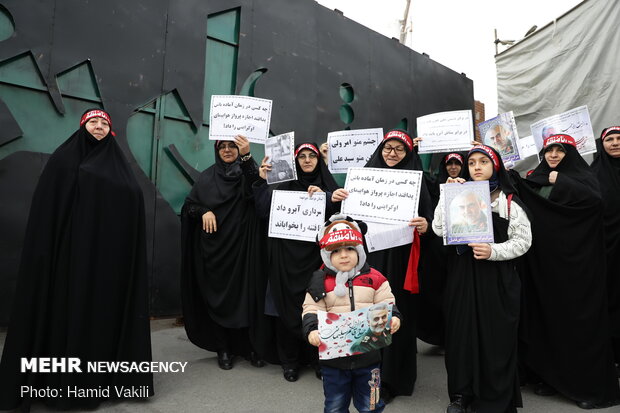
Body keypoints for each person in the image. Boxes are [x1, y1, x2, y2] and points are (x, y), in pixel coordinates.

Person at [0, 108, 153, 410]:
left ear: (112, 131)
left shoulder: (120, 167)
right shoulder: (63, 160)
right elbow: (49, 210)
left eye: (104, 123)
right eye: (93, 122)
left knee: (100, 318)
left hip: (107, 264)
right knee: (66, 315)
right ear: (83, 126)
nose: (99, 127)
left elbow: (132, 204)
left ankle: (100, 383)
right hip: (69, 260)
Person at [513, 134, 620, 409]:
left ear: (570, 154)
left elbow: (594, 201)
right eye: (549, 150)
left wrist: (560, 181)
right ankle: (552, 378)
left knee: (578, 322)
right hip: (545, 266)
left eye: (560, 150)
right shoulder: (536, 176)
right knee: (549, 319)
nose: (553, 156)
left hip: (578, 268)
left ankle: (590, 388)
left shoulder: (582, 177)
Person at [433, 144, 532, 413]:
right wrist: (447, 195)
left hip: (497, 281)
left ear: (495, 166)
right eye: (472, 162)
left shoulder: (508, 202)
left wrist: (493, 251)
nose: (477, 167)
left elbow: (523, 241)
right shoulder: (457, 194)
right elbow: (439, 228)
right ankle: (461, 395)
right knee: (461, 336)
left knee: (495, 337)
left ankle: (496, 398)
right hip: (463, 278)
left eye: (483, 162)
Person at [254, 142, 348, 381]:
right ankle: (290, 362)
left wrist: (326, 198)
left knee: (318, 309)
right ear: (295, 162)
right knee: (285, 307)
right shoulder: (284, 186)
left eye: (311, 156)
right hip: (286, 259)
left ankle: (317, 359)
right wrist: (263, 180)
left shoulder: (327, 187)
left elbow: (341, 218)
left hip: (316, 261)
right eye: (302, 157)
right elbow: (263, 210)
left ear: (318, 160)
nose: (307, 160)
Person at [181, 136, 267, 371]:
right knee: (218, 298)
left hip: (244, 248)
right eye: (223, 147)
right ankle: (224, 348)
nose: (228, 150)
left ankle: (249, 347)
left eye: (232, 146)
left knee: (246, 297)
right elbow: (189, 205)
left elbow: (256, 188)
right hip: (215, 250)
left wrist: (248, 156)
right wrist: (203, 211)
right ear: (217, 151)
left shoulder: (247, 171)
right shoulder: (207, 177)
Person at [302, 215, 402, 413]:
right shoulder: (318, 282)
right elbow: (311, 309)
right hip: (334, 363)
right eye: (336, 251)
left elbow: (387, 301)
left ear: (360, 250)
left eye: (350, 249)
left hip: (369, 359)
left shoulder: (375, 278)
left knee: (372, 405)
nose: (344, 255)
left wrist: (395, 317)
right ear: (325, 254)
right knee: (335, 406)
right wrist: (312, 330)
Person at [363, 128, 433, 401]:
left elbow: (429, 220)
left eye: (399, 149)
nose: (392, 154)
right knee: (371, 315)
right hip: (372, 260)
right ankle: (369, 376)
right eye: (387, 148)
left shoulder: (416, 182)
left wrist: (425, 225)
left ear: (408, 153)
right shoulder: (367, 177)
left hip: (402, 260)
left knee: (394, 315)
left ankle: (393, 379)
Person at [591, 126, 620, 372]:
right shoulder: (594, 174)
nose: (615, 142)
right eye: (609, 139)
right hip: (605, 250)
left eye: (619, 138)